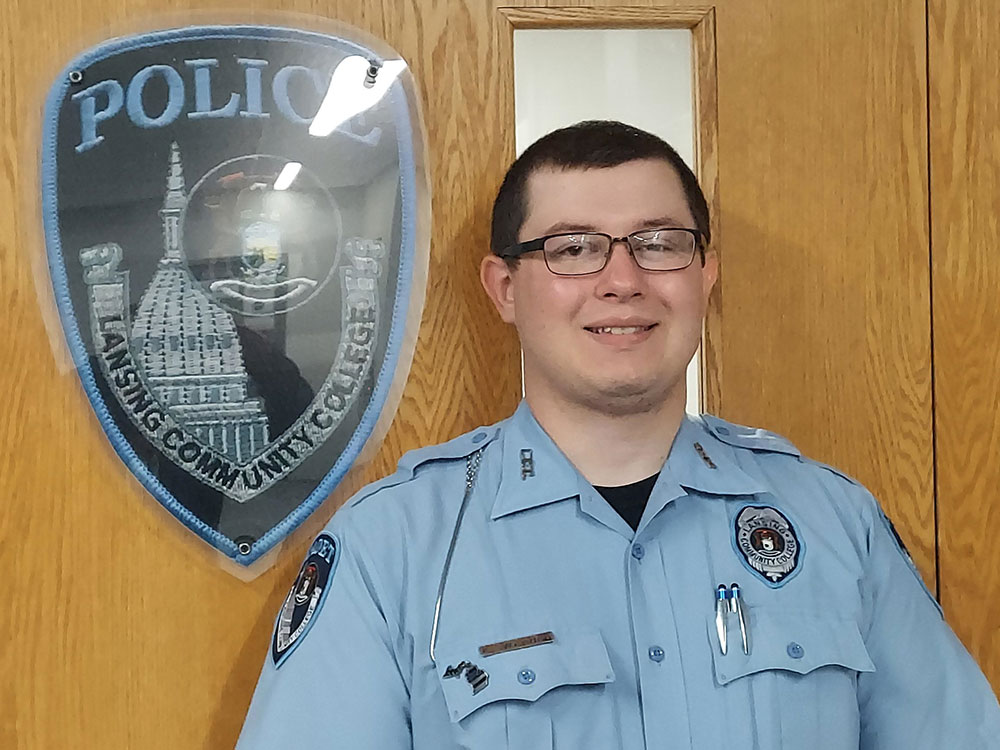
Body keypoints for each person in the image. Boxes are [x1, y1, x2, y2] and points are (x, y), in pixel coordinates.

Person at [236, 121, 1000, 749]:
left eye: (659, 243)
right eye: (573, 248)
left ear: (704, 276)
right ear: (505, 289)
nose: (623, 280)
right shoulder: (393, 549)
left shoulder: (834, 523)